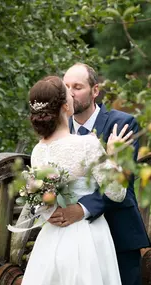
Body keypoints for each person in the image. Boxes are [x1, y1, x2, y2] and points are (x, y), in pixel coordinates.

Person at [48, 63, 150, 285]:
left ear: (95, 91)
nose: (70, 93)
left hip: (118, 235)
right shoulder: (58, 132)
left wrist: (80, 210)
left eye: (78, 87)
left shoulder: (121, 124)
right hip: (74, 240)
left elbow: (121, 183)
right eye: (66, 87)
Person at [22, 75, 128, 285]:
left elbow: (41, 197)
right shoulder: (86, 145)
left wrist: (48, 212)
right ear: (66, 108)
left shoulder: (38, 150)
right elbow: (117, 193)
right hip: (87, 237)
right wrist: (113, 156)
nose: (73, 95)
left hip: (51, 238)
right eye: (69, 93)